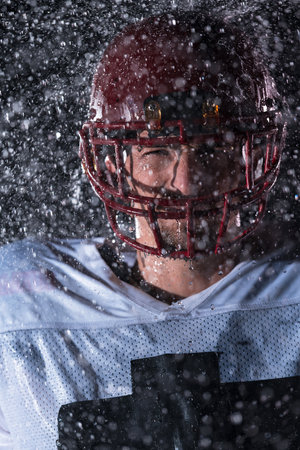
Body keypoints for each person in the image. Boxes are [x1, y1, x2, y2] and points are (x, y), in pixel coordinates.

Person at [0, 11, 299, 450]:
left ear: (247, 161)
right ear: (115, 166)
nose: (186, 182)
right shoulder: (21, 298)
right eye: (157, 152)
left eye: (212, 151)